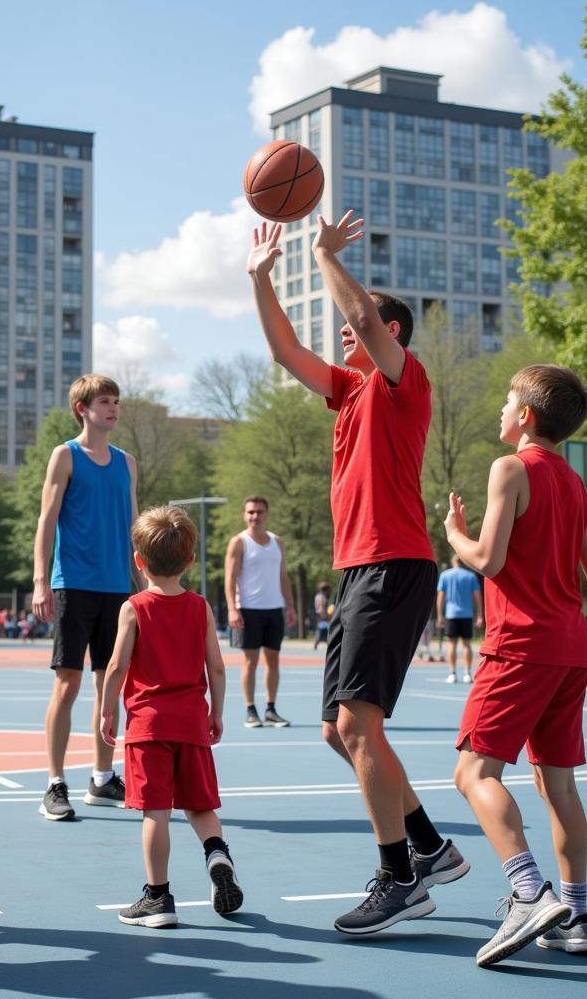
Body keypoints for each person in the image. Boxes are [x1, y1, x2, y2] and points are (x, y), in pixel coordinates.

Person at [247, 216, 467, 935]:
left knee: (358, 723)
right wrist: (260, 277)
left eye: (364, 327)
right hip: (358, 570)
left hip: (393, 562)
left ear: (392, 336)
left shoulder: (406, 381)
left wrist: (322, 256)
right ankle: (430, 847)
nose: (349, 334)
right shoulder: (348, 392)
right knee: (336, 733)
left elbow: (360, 313)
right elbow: (284, 350)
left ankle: (400, 876)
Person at [445, 364, 587, 967]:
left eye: (505, 401)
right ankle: (577, 916)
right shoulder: (574, 484)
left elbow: (490, 561)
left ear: (526, 415)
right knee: (559, 785)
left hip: (519, 646)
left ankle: (529, 891)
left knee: (474, 774)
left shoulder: (510, 469)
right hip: (570, 648)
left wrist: (454, 535)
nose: (501, 410)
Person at [100, 506, 242, 927]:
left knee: (156, 811)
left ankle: (158, 898)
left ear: (139, 561)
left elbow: (116, 667)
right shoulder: (200, 607)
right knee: (200, 805)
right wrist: (217, 712)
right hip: (192, 721)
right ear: (190, 561)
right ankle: (217, 853)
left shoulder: (134, 608)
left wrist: (106, 712)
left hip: (148, 725)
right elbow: (216, 666)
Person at [32, 374, 143, 821]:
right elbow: (46, 520)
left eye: (116, 401)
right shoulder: (66, 455)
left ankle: (101, 777)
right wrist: (41, 580)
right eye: (105, 401)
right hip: (73, 584)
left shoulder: (127, 462)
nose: (113, 408)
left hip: (118, 587)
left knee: (108, 684)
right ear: (83, 408)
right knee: (68, 684)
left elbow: (135, 527)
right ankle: (55, 784)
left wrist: (145, 584)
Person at [224, 496, 296, 727]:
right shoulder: (239, 542)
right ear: (245, 515)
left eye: (259, 512)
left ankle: (271, 709)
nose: (255, 516)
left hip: (274, 609)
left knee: (273, 661)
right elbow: (230, 577)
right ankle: (250, 710)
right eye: (251, 512)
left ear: (267, 513)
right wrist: (232, 609)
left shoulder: (278, 542)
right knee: (249, 662)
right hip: (248, 610)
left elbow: (283, 576)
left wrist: (291, 606)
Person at [437, 555, 483, 684]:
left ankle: (452, 673)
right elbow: (477, 597)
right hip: (467, 614)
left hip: (451, 614)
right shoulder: (471, 576)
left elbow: (441, 597)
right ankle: (467, 673)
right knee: (466, 644)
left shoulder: (445, 575)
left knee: (452, 644)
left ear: (453, 562)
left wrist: (440, 614)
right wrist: (480, 615)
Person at [313, 581, 331, 650]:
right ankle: (327, 643)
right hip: (322, 616)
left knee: (319, 629)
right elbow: (321, 607)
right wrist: (326, 616)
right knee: (326, 629)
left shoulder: (317, 596)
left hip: (318, 615)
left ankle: (317, 642)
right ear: (326, 590)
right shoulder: (323, 597)